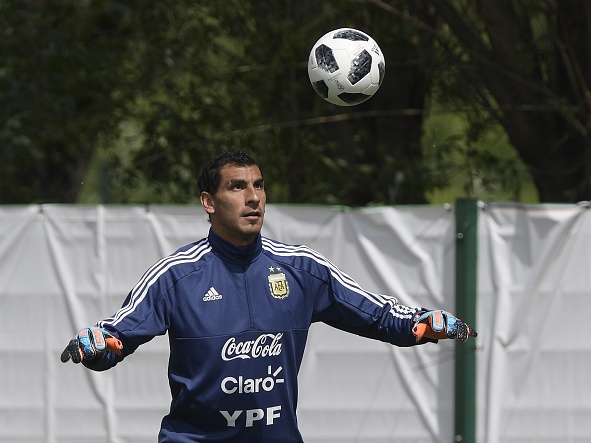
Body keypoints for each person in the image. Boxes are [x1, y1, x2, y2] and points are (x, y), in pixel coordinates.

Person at [61, 149, 477, 443]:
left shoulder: (302, 269)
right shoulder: (177, 275)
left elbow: (378, 314)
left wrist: (420, 322)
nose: (254, 197)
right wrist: (96, 345)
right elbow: (115, 336)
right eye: (237, 187)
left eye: (258, 186)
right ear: (208, 202)